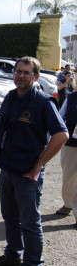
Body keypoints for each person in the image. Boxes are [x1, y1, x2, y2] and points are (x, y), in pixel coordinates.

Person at [0, 57, 68, 266]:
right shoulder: (12, 97)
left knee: (30, 223)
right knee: (10, 217)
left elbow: (61, 135)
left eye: (26, 73)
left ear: (36, 77)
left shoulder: (43, 103)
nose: (20, 76)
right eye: (17, 71)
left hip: (28, 174)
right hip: (8, 168)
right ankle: (13, 257)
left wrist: (38, 166)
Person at [58, 87, 77, 220]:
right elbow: (60, 117)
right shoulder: (71, 98)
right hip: (71, 143)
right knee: (69, 177)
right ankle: (68, 203)